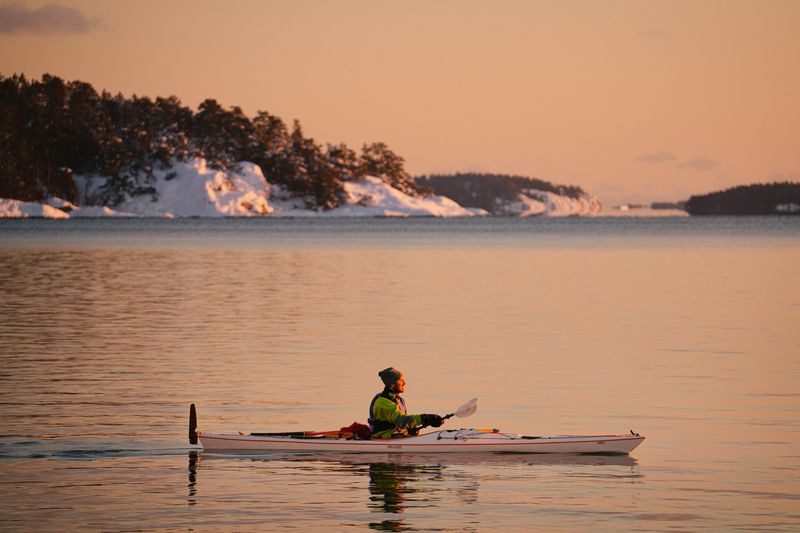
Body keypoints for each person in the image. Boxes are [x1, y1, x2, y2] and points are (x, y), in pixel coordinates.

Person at [368, 367, 444, 439]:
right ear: (392, 385)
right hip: (385, 437)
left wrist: (411, 429)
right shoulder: (383, 402)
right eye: (400, 380)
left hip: (398, 435)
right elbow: (401, 421)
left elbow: (404, 423)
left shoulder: (399, 399)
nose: (404, 383)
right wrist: (425, 418)